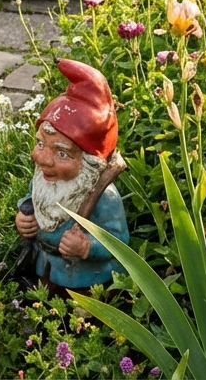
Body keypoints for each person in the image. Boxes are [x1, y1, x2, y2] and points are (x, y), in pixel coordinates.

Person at [15, 59, 129, 294]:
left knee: (82, 318)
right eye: (40, 144)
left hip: (86, 280)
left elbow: (118, 243)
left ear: (89, 162)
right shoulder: (46, 177)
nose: (43, 159)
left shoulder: (104, 198)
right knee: (45, 308)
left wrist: (87, 247)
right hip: (45, 267)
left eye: (62, 153)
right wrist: (24, 219)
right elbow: (32, 200)